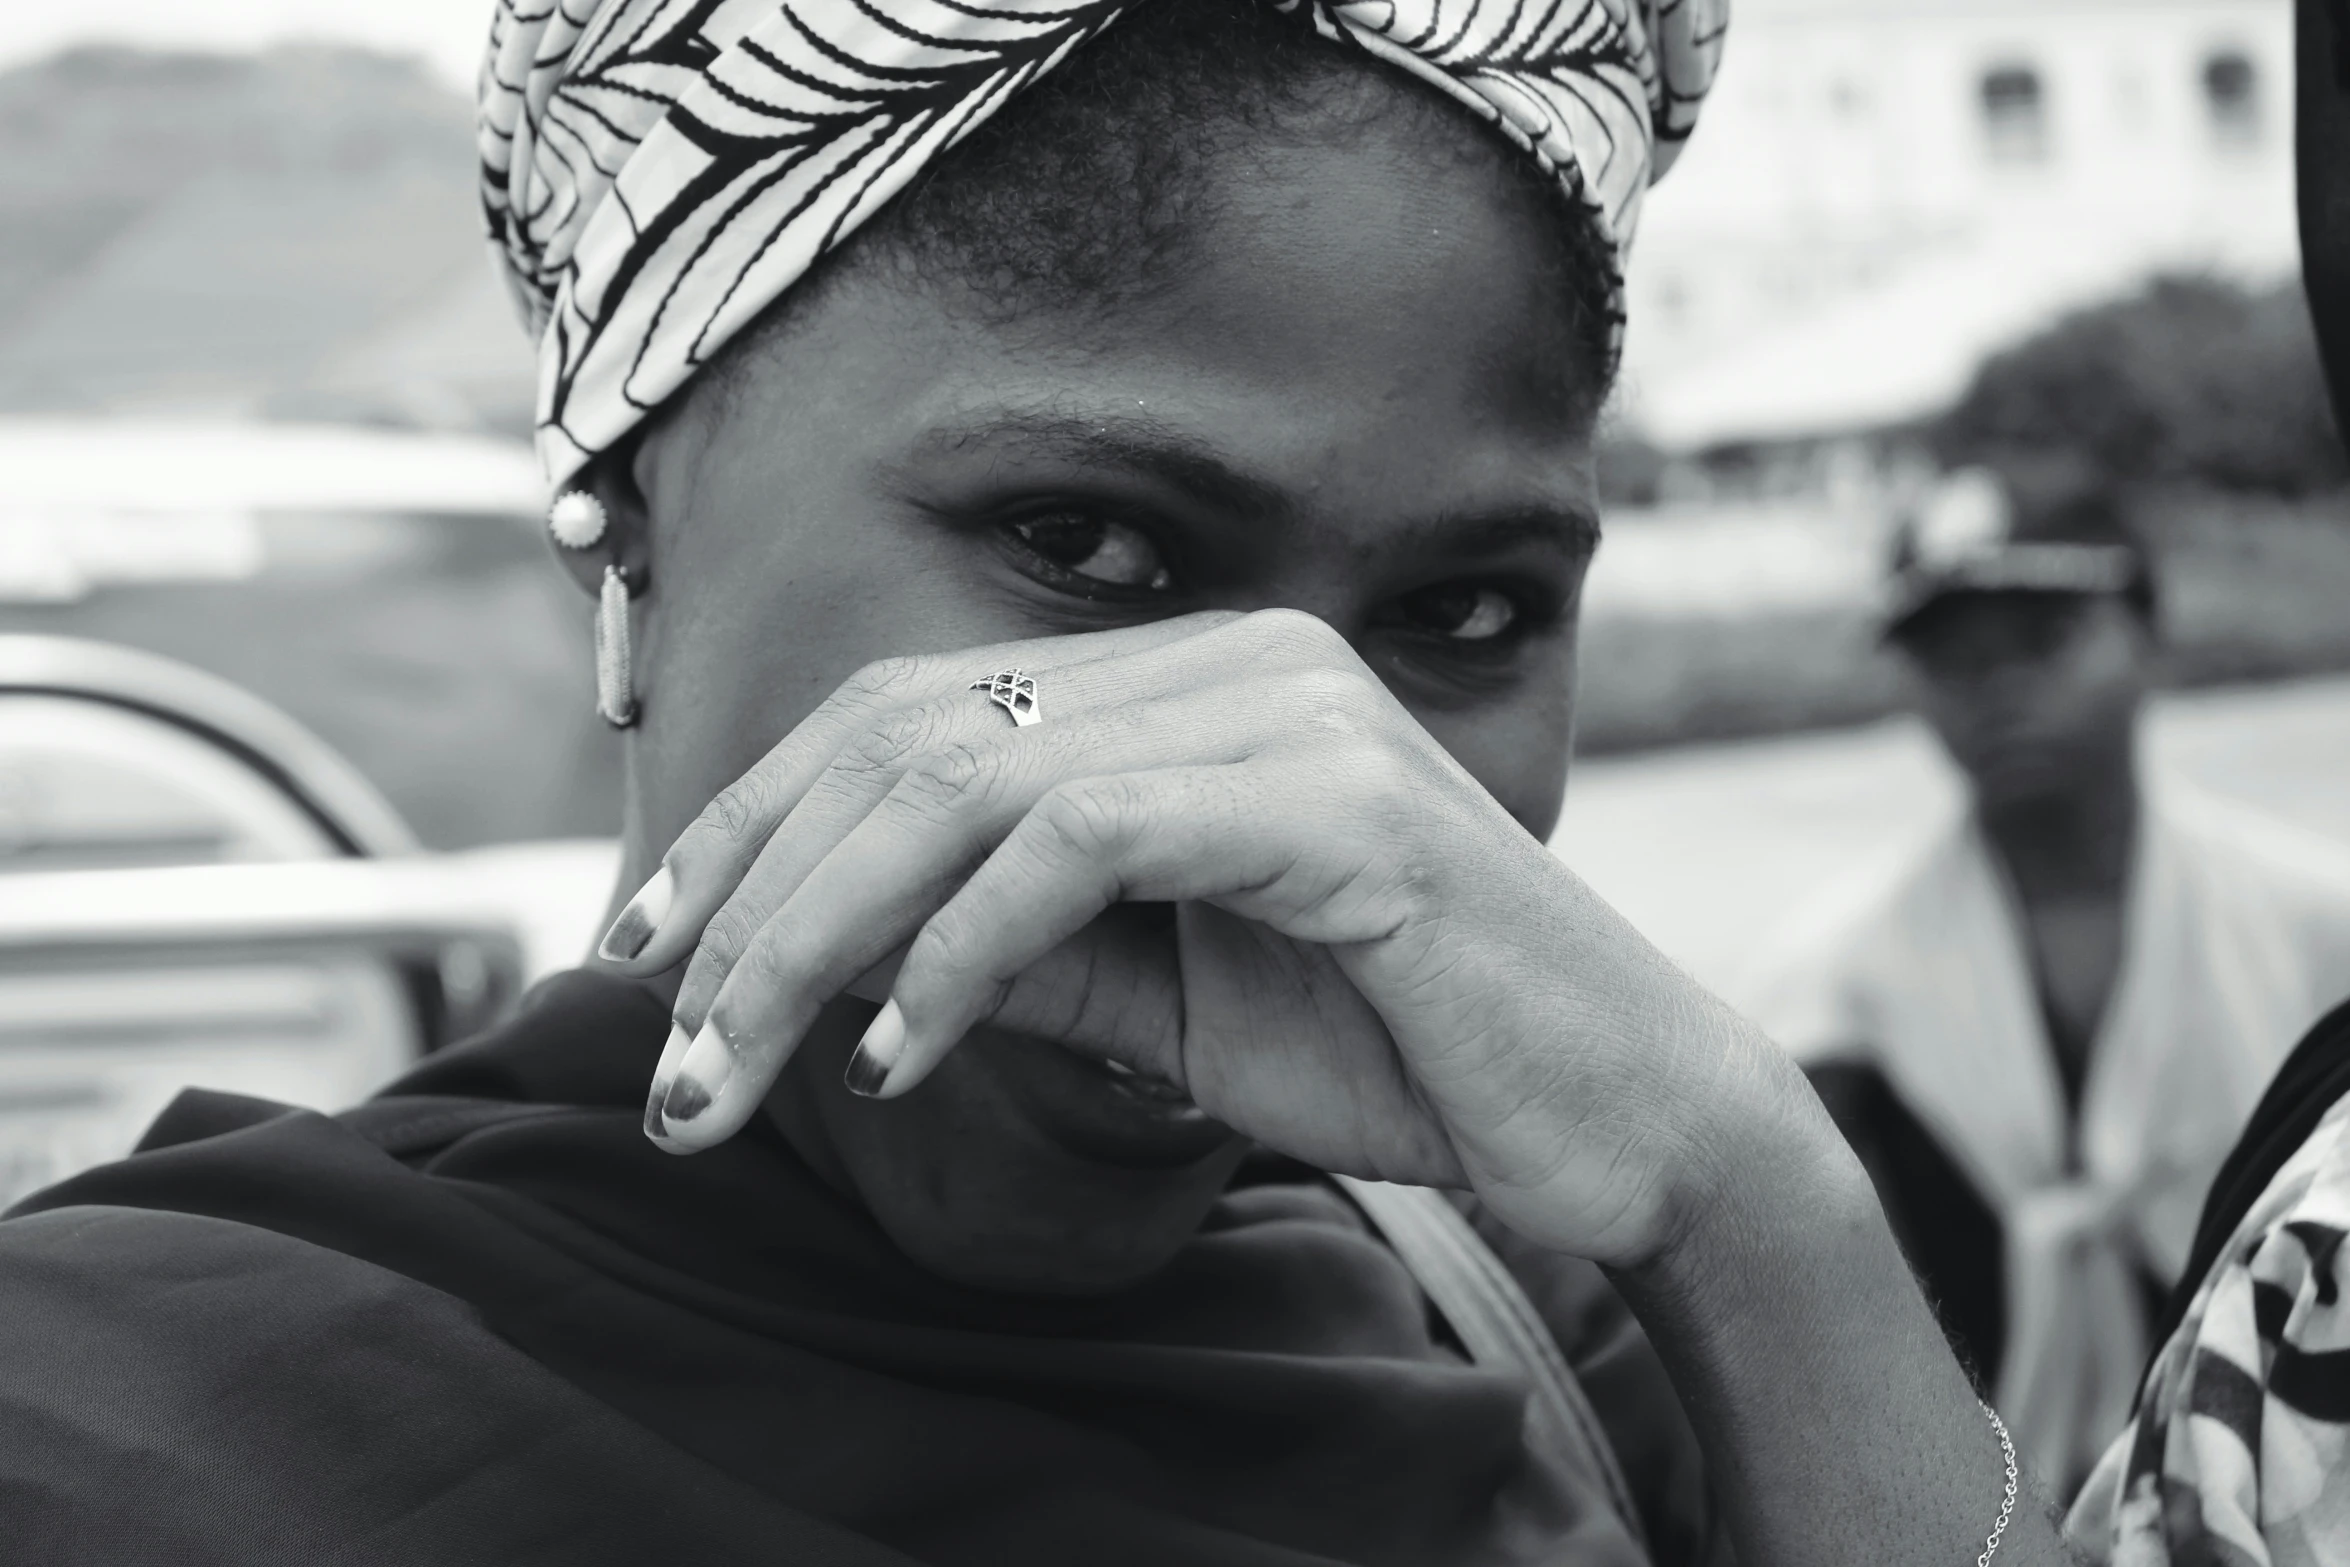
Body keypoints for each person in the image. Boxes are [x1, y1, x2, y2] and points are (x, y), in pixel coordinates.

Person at [0, 1, 2161, 1565]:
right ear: (628, 511)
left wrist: (1745, 1204)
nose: (1302, 791)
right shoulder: (112, 1438)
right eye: (1088, 553)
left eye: (1468, 615)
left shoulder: (1576, 1352)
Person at [1738, 465, 2350, 1495]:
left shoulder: (2319, 929)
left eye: (2041, 641)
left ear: (2150, 640)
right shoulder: (1831, 989)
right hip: (1967, 1499)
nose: (1997, 688)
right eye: (1951, 658)